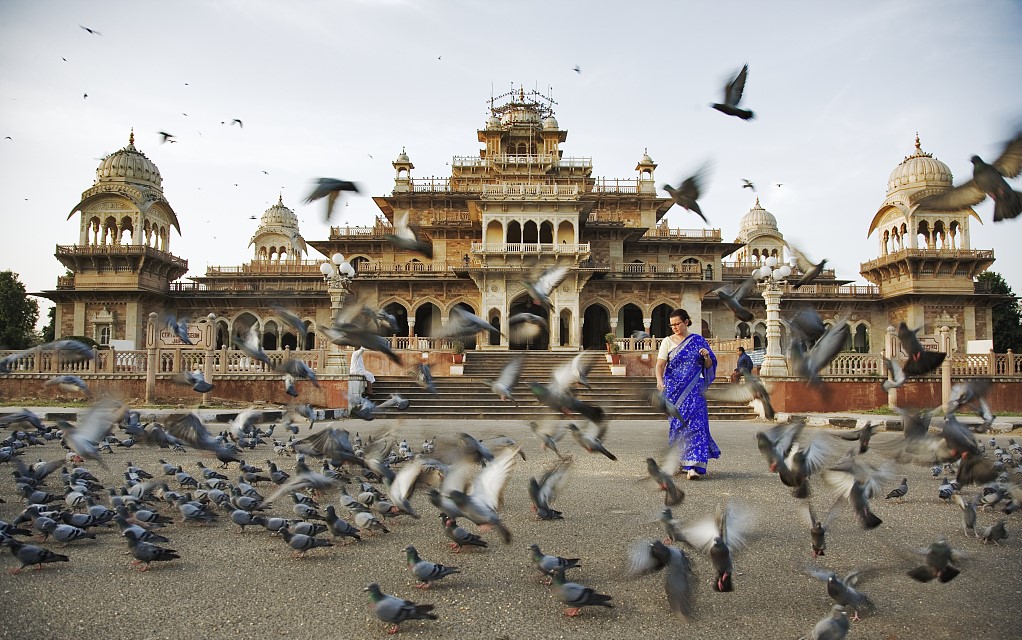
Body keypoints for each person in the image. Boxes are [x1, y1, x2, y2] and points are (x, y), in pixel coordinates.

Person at [655, 308, 719, 479]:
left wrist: (706, 358)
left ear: (686, 322)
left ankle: (693, 467)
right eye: (672, 325)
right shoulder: (667, 342)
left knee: (697, 426)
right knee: (678, 426)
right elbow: (660, 365)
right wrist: (660, 381)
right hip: (674, 390)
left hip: (694, 390)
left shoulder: (698, 341)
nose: (674, 327)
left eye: (677, 324)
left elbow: (708, 367)